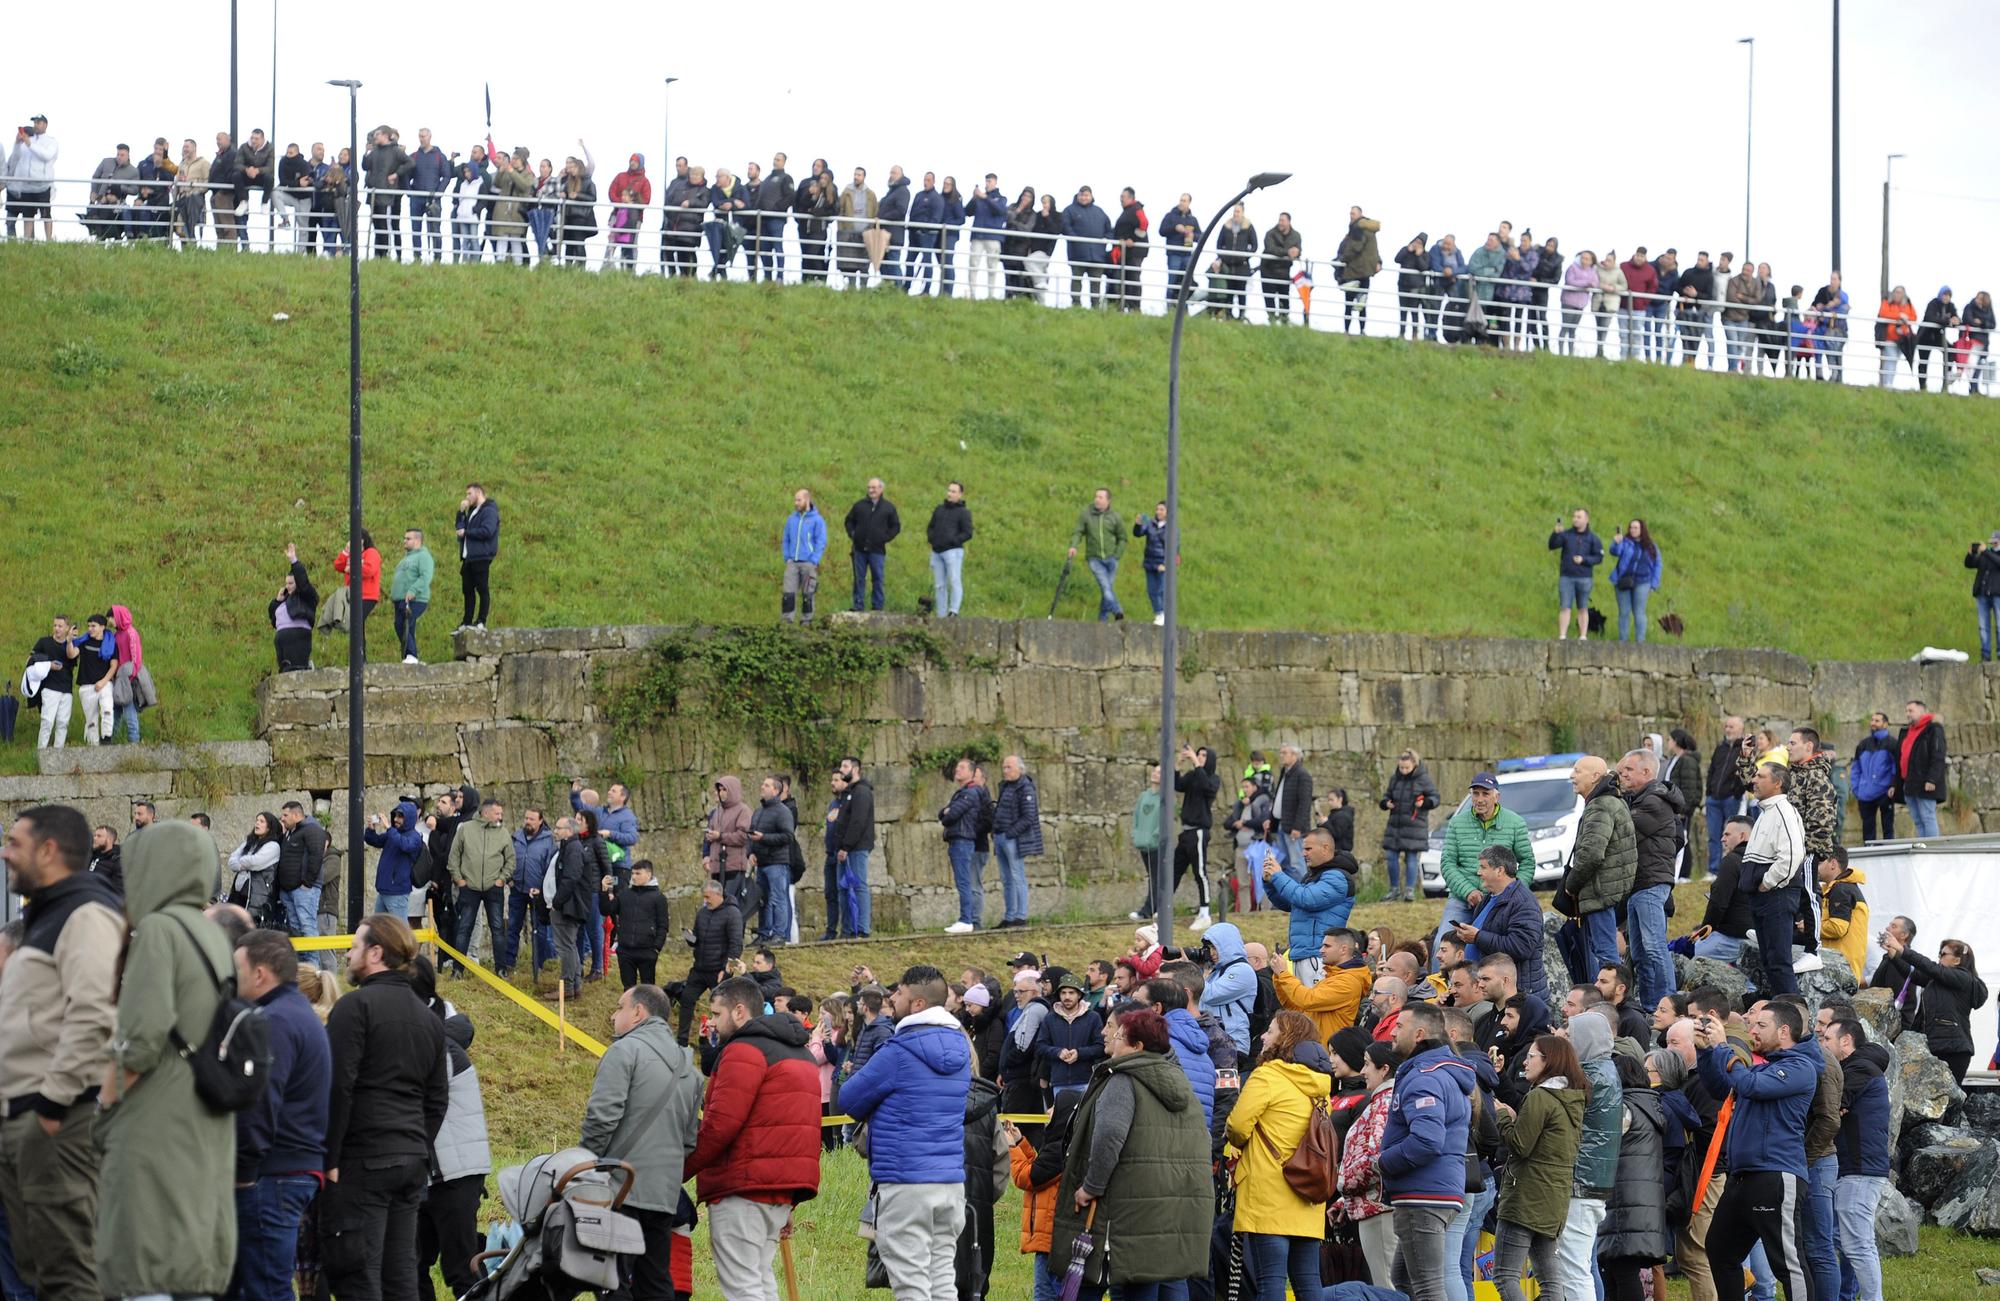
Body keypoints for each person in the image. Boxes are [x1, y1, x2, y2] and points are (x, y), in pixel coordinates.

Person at [94, 821, 237, 1300]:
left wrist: (106, 1107)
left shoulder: (156, 931)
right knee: (186, 1252)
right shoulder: (212, 932)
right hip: (202, 1113)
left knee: (147, 1259)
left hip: (154, 1115)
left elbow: (139, 1040)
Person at [0, 806, 124, 1301]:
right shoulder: (51, 912)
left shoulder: (86, 912)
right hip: (35, 1117)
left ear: (48, 850)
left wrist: (50, 1106)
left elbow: (94, 1013)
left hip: (54, 1119)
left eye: (14, 842)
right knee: (45, 1272)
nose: (6, 853)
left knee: (71, 1274)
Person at [322, 914, 449, 1301]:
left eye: (354, 946)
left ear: (375, 953)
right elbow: (437, 1098)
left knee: (361, 1274)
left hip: (365, 1160)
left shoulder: (354, 1009)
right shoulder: (428, 1019)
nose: (347, 953)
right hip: (410, 1160)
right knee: (400, 1277)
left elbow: (338, 1088)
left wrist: (330, 1157)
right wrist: (417, 1144)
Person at [1049, 1006, 1212, 1300]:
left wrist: (1091, 1186)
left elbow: (1109, 1136)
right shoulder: (1182, 1086)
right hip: (1164, 1213)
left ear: (1136, 1047)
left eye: (1120, 1035)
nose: (1109, 1036)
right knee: (1145, 1286)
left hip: (1121, 1213)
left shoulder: (1123, 1080)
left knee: (1087, 1286)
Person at [680, 973, 823, 1301]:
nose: (712, 1024)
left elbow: (720, 1126)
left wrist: (676, 1173)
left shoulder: (743, 1050)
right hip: (779, 1190)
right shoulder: (801, 1054)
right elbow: (802, 1131)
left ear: (740, 1011)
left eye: (716, 1014)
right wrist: (791, 1199)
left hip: (744, 1186)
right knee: (760, 1282)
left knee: (744, 1287)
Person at [838, 967, 972, 1300]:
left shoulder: (898, 1051)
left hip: (905, 1180)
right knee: (942, 1280)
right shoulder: (961, 1048)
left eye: (897, 993)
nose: (890, 998)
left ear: (917, 1003)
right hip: (950, 1181)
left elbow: (849, 1099)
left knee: (910, 1284)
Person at [229, 929, 331, 1301]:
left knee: (266, 1288)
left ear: (259, 974)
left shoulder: (275, 1021)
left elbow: (259, 1101)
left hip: (274, 1173)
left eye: (237, 969)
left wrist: (243, 1171)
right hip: (290, 1169)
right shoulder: (296, 1014)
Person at [1696, 1000, 1822, 1301]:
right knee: (1720, 1250)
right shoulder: (1765, 1067)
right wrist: (1706, 1051)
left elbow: (1751, 1086)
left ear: (1784, 1031)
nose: (1752, 1030)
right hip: (1743, 1176)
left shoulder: (1800, 1067)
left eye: (1760, 1025)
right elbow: (1719, 1087)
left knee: (1788, 1264)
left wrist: (1724, 1047)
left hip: (1776, 1175)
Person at [1226, 1011, 1333, 1301]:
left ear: (1284, 1039)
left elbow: (1237, 1125)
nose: (1263, 1036)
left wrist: (1237, 1141)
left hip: (1268, 1192)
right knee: (1308, 1283)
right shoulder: (1319, 1087)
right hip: (1308, 1192)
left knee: (1270, 1282)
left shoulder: (1267, 1075)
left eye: (1270, 1031)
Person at [1376, 1002, 1473, 1298]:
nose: (1392, 1032)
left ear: (1419, 1034)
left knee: (1428, 1287)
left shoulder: (1425, 1077)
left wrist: (1383, 1162)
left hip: (1424, 1194)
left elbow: (1428, 1140)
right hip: (1431, 1190)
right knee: (1403, 1283)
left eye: (1399, 1027)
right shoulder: (1433, 1073)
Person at [412, 959, 491, 1301]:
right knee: (411, 1267)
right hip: (425, 1173)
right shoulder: (428, 1035)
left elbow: (417, 1106)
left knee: (463, 1269)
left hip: (452, 1173)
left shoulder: (435, 1044)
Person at [1488, 1034, 1585, 1301]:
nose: (1525, 1062)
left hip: (1525, 1197)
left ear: (1549, 1061)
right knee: (1552, 1283)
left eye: (1531, 1056)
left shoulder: (1540, 1097)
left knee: (1505, 1276)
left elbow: (1520, 1145)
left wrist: (1502, 1118)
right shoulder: (1570, 1098)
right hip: (1553, 1198)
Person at [1819, 1017, 1890, 1301]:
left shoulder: (1859, 1068)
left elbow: (1834, 1106)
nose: (1822, 1044)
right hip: (1855, 1168)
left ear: (1846, 1041)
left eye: (1827, 1039)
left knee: (1858, 1244)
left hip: (1859, 1170)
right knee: (1845, 1239)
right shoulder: (1856, 1067)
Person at [1436, 771, 1534, 957]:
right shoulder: (1457, 823)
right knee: (1442, 946)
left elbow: (1528, 861)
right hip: (1463, 897)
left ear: (1496, 796)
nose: (1480, 799)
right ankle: (1440, 985)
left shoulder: (1515, 823)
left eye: (1485, 793)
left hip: (1500, 899)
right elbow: (1448, 863)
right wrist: (1467, 891)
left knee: (1494, 947)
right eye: (1475, 793)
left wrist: (1512, 891)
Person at [1617, 748, 1684, 1010]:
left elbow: (1624, 830)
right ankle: (1649, 1005)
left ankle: (1670, 1005)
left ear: (1647, 772)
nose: (1623, 774)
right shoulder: (1642, 799)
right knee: (1641, 952)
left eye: (1629, 770)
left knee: (1654, 947)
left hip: (1650, 883)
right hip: (1640, 884)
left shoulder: (1654, 801)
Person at [1878, 928, 1986, 1082]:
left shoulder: (1964, 978)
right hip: (1936, 1046)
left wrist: (1902, 949)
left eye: (1943, 954)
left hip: (1953, 1050)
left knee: (1947, 1102)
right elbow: (1913, 974)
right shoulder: (1940, 980)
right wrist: (1894, 954)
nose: (1939, 958)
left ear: (1957, 960)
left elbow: (1930, 967)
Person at [1562, 755, 1636, 978]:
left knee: (1606, 955)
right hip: (1606, 888)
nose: (1571, 776)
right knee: (1604, 952)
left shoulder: (1601, 805)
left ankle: (1614, 1004)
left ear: (1595, 776)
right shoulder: (1608, 800)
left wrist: (1571, 885)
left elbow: (1592, 854)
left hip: (1600, 891)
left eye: (1577, 771)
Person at [1738, 761, 1807, 994]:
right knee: (1770, 961)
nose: (1754, 780)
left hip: (1777, 895)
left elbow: (1793, 854)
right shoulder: (1767, 811)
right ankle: (1782, 1014)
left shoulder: (1784, 811)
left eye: (1761, 776)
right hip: (1764, 897)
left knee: (1779, 963)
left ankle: (1795, 1019)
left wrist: (1768, 882)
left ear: (1777, 783)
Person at [1454, 847, 1549, 1006]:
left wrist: (1477, 937)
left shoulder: (1523, 903)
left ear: (1499, 870)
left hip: (1517, 1000)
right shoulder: (1489, 897)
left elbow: (1521, 947)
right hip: (1492, 993)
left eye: (1483, 867)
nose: (1479, 872)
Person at [1262, 832, 1357, 986]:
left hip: (1317, 956)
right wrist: (1270, 882)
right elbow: (1290, 903)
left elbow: (1307, 899)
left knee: (1312, 1005)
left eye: (1308, 849)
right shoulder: (1314, 875)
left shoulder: (1337, 877)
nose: (1303, 853)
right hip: (1304, 954)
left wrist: (1278, 875)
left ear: (1325, 848)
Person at [446, 797, 512, 969]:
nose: (500, 817)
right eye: (497, 813)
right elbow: (453, 857)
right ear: (486, 812)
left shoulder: (503, 833)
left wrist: (501, 879)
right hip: (469, 887)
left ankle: (501, 969)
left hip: (493, 888)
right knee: (464, 928)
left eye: (501, 814)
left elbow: (511, 860)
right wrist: (459, 880)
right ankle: (458, 969)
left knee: (497, 929)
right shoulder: (465, 829)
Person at [676, 880, 741, 1045]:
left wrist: (727, 971)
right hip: (699, 969)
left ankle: (725, 1040)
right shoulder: (702, 913)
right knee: (686, 999)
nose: (705, 900)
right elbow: (697, 939)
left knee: (722, 1008)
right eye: (704, 897)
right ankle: (681, 1041)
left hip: (718, 971)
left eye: (708, 897)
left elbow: (736, 944)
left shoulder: (732, 913)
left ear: (719, 895)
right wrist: (690, 938)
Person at [1379, 750, 1441, 903]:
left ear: (1414, 764)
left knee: (1411, 857)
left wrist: (1425, 803)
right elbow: (1386, 796)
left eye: (1407, 767)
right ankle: (1394, 890)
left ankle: (1409, 891)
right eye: (1401, 768)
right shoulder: (1395, 779)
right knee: (1391, 856)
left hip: (1415, 824)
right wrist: (1386, 803)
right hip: (1396, 824)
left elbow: (1435, 798)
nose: (1404, 771)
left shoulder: (1423, 779)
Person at [1172, 744, 1222, 929]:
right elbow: (1178, 785)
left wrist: (1195, 762)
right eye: (1198, 754)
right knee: (1175, 870)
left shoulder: (1212, 778)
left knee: (1199, 872)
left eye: (1203, 755)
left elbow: (1207, 787)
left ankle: (1204, 911)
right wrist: (1178, 764)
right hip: (1186, 831)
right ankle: (1164, 907)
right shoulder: (1193, 775)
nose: (1199, 757)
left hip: (1199, 831)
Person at [992, 755, 1043, 929]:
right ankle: (1009, 915)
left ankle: (1020, 915)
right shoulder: (1005, 787)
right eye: (1004, 767)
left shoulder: (1025, 788)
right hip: (1000, 836)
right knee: (1006, 879)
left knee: (1017, 876)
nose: (1005, 771)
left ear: (1019, 769)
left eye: (1009, 767)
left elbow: (1029, 816)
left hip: (1011, 838)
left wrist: (1010, 833)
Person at [602, 860, 668, 989]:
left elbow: (663, 925)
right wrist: (604, 891)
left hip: (647, 951)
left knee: (647, 990)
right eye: (632, 873)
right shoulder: (625, 894)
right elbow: (606, 910)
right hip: (625, 951)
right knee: (628, 990)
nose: (634, 876)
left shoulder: (658, 897)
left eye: (638, 873)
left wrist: (656, 948)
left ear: (649, 874)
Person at [747, 775, 796, 946]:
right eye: (763, 784)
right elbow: (751, 835)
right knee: (763, 900)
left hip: (777, 863)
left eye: (766, 785)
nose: (762, 787)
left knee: (778, 898)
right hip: (761, 863)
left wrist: (764, 838)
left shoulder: (783, 811)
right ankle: (764, 933)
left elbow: (787, 836)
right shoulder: (758, 811)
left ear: (776, 790)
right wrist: (750, 853)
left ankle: (779, 934)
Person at [1068, 487, 1127, 623]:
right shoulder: (1086, 515)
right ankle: (1118, 611)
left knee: (1107, 590)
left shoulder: (1114, 517)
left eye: (1100, 497)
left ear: (1108, 500)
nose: (1097, 499)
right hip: (1094, 559)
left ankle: (1102, 619)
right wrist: (1073, 546)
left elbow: (1122, 537)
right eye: (1096, 496)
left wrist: (1117, 555)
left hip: (1111, 558)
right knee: (1106, 588)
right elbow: (1078, 532)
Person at [833, 757, 877, 937]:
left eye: (845, 766)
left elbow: (857, 822)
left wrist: (846, 846)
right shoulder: (848, 793)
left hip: (856, 848)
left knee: (858, 887)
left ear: (856, 769)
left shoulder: (861, 792)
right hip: (845, 848)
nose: (841, 769)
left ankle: (862, 929)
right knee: (843, 889)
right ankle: (848, 929)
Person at [843, 478, 901, 613]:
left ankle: (878, 606)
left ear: (881, 489)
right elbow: (849, 521)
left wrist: (884, 538)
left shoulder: (888, 507)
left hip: (877, 550)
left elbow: (896, 526)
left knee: (878, 578)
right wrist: (853, 534)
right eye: (869, 487)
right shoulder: (859, 505)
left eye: (874, 488)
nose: (870, 490)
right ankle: (858, 605)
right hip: (859, 549)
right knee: (859, 578)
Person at [1894, 698, 1948, 838]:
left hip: (1925, 782)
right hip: (1910, 783)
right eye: (1906, 711)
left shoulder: (1933, 729)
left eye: (1911, 710)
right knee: (1918, 820)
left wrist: (1932, 779)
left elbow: (1938, 756)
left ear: (1922, 711)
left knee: (1928, 817)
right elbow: (1900, 758)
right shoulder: (1908, 732)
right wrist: (1897, 783)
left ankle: (1932, 850)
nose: (1908, 714)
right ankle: (1924, 849)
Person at [362, 800, 424, 920]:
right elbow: (375, 840)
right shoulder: (394, 834)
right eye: (395, 815)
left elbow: (405, 845)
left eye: (400, 816)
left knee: (400, 931)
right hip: (384, 890)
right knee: (379, 929)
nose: (396, 819)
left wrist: (389, 828)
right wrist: (370, 829)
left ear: (409, 818)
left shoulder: (414, 836)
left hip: (398, 891)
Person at [1548, 508, 1604, 640]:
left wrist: (1584, 560)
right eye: (1574, 517)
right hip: (1567, 576)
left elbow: (1599, 557)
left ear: (1586, 519)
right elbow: (1552, 545)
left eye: (1579, 517)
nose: (1575, 519)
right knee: (1565, 606)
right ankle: (1562, 635)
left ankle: (1583, 635)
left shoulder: (1593, 538)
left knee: (1583, 607)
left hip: (1584, 577)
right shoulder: (1566, 534)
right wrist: (1555, 534)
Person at [1605, 520, 1662, 644]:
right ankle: (1623, 641)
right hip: (1623, 580)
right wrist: (1616, 542)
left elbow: (1658, 565)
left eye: (1636, 528)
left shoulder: (1651, 546)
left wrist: (1654, 584)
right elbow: (1615, 552)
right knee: (1624, 612)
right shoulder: (1625, 542)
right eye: (1631, 527)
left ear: (1642, 529)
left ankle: (1640, 642)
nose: (1633, 530)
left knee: (1639, 612)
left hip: (1643, 582)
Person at [383, 526, 434, 666]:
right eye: (404, 538)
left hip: (415, 599)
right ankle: (410, 656)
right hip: (400, 600)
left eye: (408, 538)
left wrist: (413, 590)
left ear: (417, 540)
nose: (404, 541)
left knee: (405, 624)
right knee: (402, 626)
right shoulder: (406, 558)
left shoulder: (423, 556)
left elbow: (426, 576)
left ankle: (411, 655)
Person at [923, 482, 974, 618]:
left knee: (954, 580)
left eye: (953, 491)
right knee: (939, 584)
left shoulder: (963, 512)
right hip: (936, 551)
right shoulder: (939, 509)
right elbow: (931, 526)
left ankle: (953, 611)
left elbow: (968, 532)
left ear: (960, 494)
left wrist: (953, 540)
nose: (949, 494)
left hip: (953, 552)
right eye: (949, 490)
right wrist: (931, 538)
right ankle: (941, 613)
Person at [453, 483, 499, 633]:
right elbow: (460, 527)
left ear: (478, 492)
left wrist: (466, 533)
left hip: (481, 556)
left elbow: (487, 531)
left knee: (482, 588)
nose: (467, 497)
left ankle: (481, 621)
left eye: (469, 494)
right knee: (467, 590)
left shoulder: (489, 510)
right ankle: (466, 621)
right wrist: (461, 512)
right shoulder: (472, 511)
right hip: (468, 557)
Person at [779, 489, 828, 624]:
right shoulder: (791, 519)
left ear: (807, 500)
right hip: (792, 563)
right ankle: (787, 620)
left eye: (799, 500)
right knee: (788, 593)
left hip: (808, 563)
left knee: (808, 594)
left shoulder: (817, 520)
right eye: (795, 500)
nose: (796, 503)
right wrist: (787, 557)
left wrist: (814, 560)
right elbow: (786, 539)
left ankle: (807, 621)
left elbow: (821, 541)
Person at [268, 544, 318, 672]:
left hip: (298, 636)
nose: (288, 586)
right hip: (282, 638)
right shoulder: (284, 600)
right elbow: (273, 620)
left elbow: (303, 581)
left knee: (297, 669)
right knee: (285, 670)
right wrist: (276, 601)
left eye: (291, 583)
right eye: (286, 583)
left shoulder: (306, 596)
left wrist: (293, 560)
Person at [334, 530, 383, 657]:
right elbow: (338, 565)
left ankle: (359, 656)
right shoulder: (352, 554)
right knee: (356, 624)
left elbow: (369, 570)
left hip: (367, 594)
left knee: (356, 622)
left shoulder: (371, 553)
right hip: (353, 595)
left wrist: (351, 568)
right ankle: (358, 656)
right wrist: (346, 551)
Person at [1261, 212, 1303, 324]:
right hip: (1268, 270)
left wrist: (1297, 253)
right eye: (1279, 220)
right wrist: (1287, 252)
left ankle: (1284, 320)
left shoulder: (1296, 236)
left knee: (1284, 298)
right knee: (1269, 299)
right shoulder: (1270, 234)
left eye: (1283, 220)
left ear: (1289, 222)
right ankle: (1272, 321)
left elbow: (1298, 250)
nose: (1280, 223)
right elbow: (1270, 249)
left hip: (1284, 271)